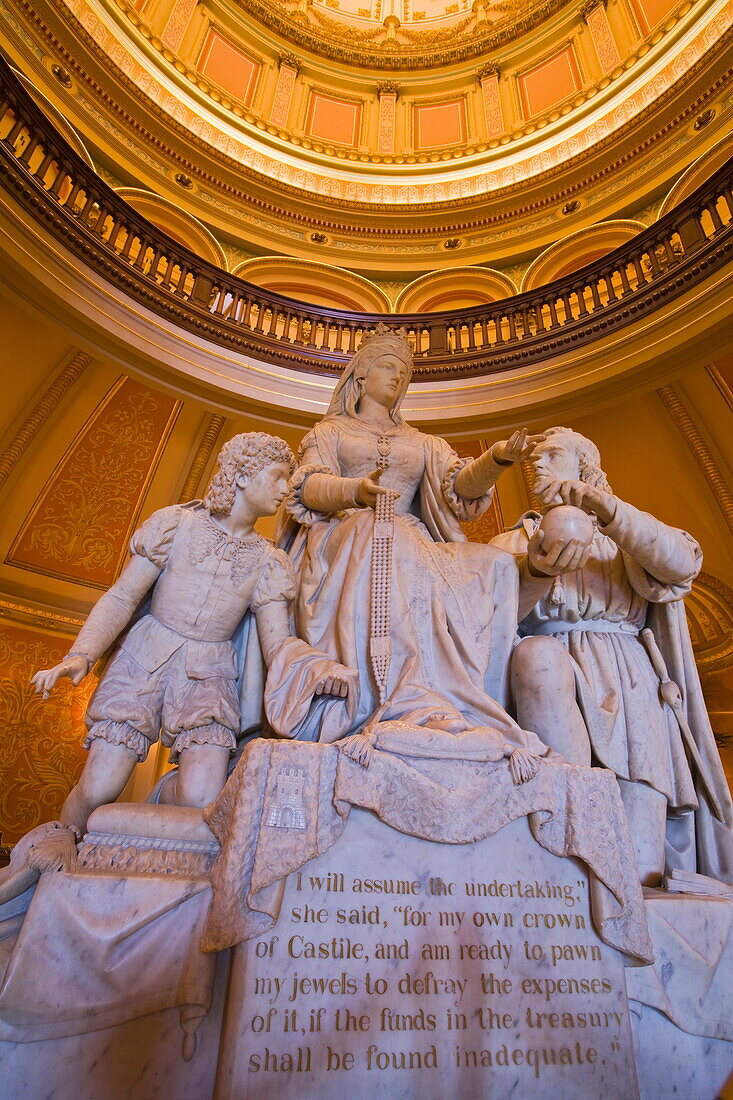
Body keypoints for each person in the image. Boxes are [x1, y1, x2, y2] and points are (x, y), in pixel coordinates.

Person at [0, 432, 354, 901]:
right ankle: (63, 841)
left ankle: (157, 801)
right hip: (146, 657)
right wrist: (79, 655)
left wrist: (313, 671)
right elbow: (123, 596)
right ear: (243, 476)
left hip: (209, 674)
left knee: (200, 799)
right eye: (277, 476)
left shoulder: (270, 563)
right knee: (100, 785)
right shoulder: (175, 525)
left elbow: (277, 641)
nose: (286, 488)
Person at [272, 325, 587, 755]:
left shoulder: (422, 443)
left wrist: (496, 460)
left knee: (494, 564)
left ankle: (474, 703)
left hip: (410, 540)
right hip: (348, 534)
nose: (397, 378)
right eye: (387, 367)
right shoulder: (331, 433)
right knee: (383, 531)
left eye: (404, 373)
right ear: (360, 376)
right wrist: (356, 492)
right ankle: (403, 695)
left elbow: (458, 489)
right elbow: (305, 487)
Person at [493, 426, 733, 883]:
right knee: (567, 842)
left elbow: (683, 564)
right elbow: (483, 623)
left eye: (553, 456)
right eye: (534, 459)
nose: (537, 465)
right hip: (545, 668)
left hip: (627, 677)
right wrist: (538, 570)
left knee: (642, 864)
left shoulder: (623, 536)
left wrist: (609, 511)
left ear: (585, 467)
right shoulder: (512, 544)